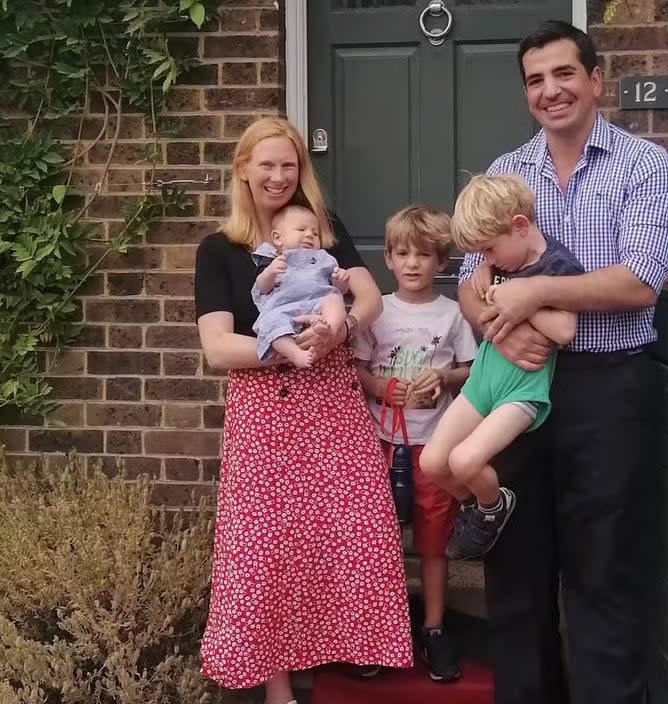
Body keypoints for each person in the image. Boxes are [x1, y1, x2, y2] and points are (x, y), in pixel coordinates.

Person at [455, 21, 668, 704]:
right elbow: (470, 282)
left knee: (600, 570)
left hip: (605, 390)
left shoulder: (644, 166)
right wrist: (497, 326)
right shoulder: (504, 173)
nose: (550, 91)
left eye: (563, 74)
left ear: (595, 79)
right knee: (515, 574)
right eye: (535, 80)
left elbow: (639, 281)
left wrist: (533, 293)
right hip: (520, 385)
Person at [196, 116, 413, 704]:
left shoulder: (322, 229)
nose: (278, 176)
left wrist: (336, 336)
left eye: (288, 165)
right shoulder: (219, 250)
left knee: (354, 532)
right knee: (268, 549)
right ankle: (279, 688)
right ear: (243, 169)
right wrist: (289, 353)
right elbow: (218, 348)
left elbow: (367, 298)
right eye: (266, 165)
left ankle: (353, 649)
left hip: (334, 405)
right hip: (265, 412)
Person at [419, 174, 581, 562]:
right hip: (483, 381)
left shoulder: (557, 267)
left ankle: (494, 505)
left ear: (520, 227)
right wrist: (491, 287)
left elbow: (564, 330)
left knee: (464, 460)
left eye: (489, 250)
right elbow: (477, 289)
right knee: (432, 462)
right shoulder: (496, 265)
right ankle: (482, 508)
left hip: (521, 391)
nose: (486, 260)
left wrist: (518, 302)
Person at [352, 205, 478, 683]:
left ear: (441, 262)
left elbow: (470, 369)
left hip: (434, 447)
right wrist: (380, 388)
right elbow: (358, 368)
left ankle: (433, 628)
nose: (412, 263)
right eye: (402, 253)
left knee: (433, 541)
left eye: (423, 255)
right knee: (376, 541)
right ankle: (375, 631)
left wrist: (444, 378)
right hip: (378, 444)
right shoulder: (376, 312)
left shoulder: (452, 315)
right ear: (387, 257)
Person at [251, 204, 351, 368]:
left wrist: (341, 281)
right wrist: (270, 273)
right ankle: (295, 353)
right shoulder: (272, 258)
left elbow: (339, 290)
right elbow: (261, 289)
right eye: (301, 229)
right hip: (283, 308)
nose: (309, 235)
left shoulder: (323, 258)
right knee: (270, 323)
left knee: (334, 300)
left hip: (317, 305)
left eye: (315, 232)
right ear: (278, 238)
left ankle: (330, 330)